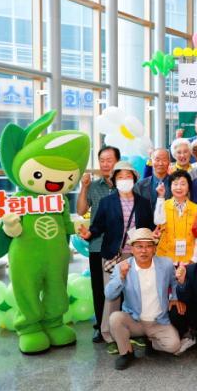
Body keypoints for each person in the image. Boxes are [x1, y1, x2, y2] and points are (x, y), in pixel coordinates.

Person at [78, 161, 155, 353]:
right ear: (114, 180)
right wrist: (89, 233)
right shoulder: (107, 202)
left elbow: (150, 227)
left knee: (137, 295)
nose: (124, 180)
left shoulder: (143, 202)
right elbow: (98, 226)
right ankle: (108, 334)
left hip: (138, 255)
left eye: (128, 176)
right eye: (120, 177)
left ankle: (137, 332)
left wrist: (154, 234)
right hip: (114, 254)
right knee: (111, 295)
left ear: (134, 179)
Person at [105, 228, 183, 370]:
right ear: (132, 249)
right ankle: (126, 353)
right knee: (115, 318)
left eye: (148, 246)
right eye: (139, 246)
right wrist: (121, 276)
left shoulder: (166, 264)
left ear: (154, 249)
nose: (144, 251)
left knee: (174, 346)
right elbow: (110, 295)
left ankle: (151, 342)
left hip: (158, 321)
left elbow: (174, 282)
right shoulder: (122, 267)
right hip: (135, 320)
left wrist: (174, 297)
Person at [76, 146, 119, 344]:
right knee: (99, 288)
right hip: (97, 245)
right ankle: (100, 328)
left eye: (109, 160)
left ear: (117, 162)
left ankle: (119, 326)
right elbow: (80, 210)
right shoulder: (93, 186)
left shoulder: (125, 185)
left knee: (121, 288)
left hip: (121, 247)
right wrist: (84, 187)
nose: (105, 164)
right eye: (102, 160)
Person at [153, 170, 197, 264]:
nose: (179, 187)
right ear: (170, 187)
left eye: (183, 184)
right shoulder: (163, 204)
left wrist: (194, 258)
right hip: (165, 258)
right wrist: (161, 197)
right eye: (175, 184)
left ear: (189, 187)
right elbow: (158, 221)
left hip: (188, 260)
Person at [135, 148, 173, 213]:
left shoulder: (176, 184)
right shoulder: (139, 186)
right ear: (151, 161)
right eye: (157, 160)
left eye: (164, 160)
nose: (160, 163)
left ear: (169, 162)